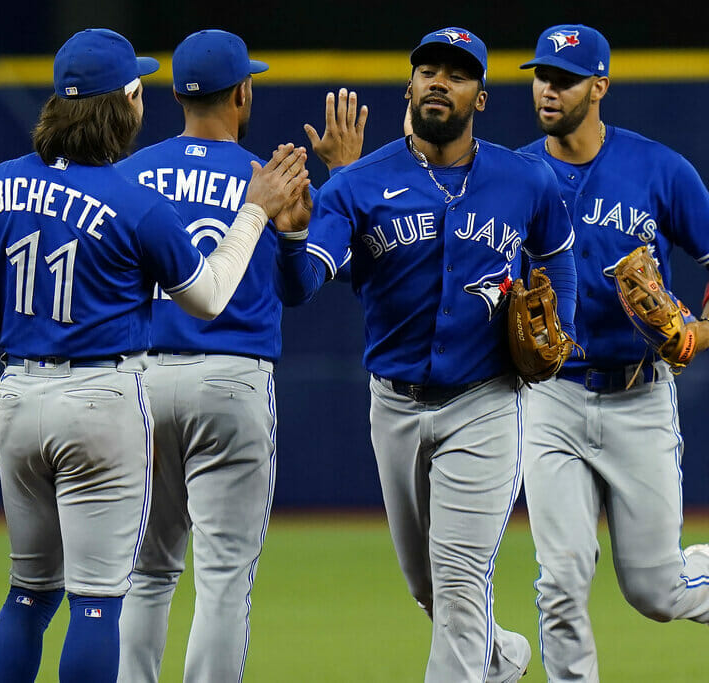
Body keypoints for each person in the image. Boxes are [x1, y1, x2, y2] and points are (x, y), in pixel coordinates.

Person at [0, 27, 308, 683]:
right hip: (102, 400)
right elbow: (205, 297)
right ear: (122, 104)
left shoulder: (0, 185)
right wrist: (255, 212)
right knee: (97, 600)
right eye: (136, 89)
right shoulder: (132, 202)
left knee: (29, 592)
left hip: (16, 398)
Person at [278, 26, 578, 683]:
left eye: (458, 73)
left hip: (486, 402)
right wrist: (293, 233)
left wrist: (566, 328)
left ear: (481, 97)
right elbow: (300, 286)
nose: (440, 80)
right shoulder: (358, 183)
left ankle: (474, 656)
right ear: (410, 87)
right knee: (431, 588)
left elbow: (557, 255)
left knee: (462, 580)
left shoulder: (526, 178)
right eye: (428, 70)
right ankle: (498, 658)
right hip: (395, 405)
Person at [113, 29, 365, 683]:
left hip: (140, 382)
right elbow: (298, 286)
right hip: (231, 381)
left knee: (144, 573)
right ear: (243, 93)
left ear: (173, 94)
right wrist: (296, 230)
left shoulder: (128, 175)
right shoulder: (266, 180)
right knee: (222, 578)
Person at [516, 24, 709, 682]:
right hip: (550, 399)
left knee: (653, 591)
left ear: (600, 86)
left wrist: (702, 330)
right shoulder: (512, 175)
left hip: (639, 395)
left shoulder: (658, 168)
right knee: (560, 579)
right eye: (540, 75)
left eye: (563, 79)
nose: (547, 88)